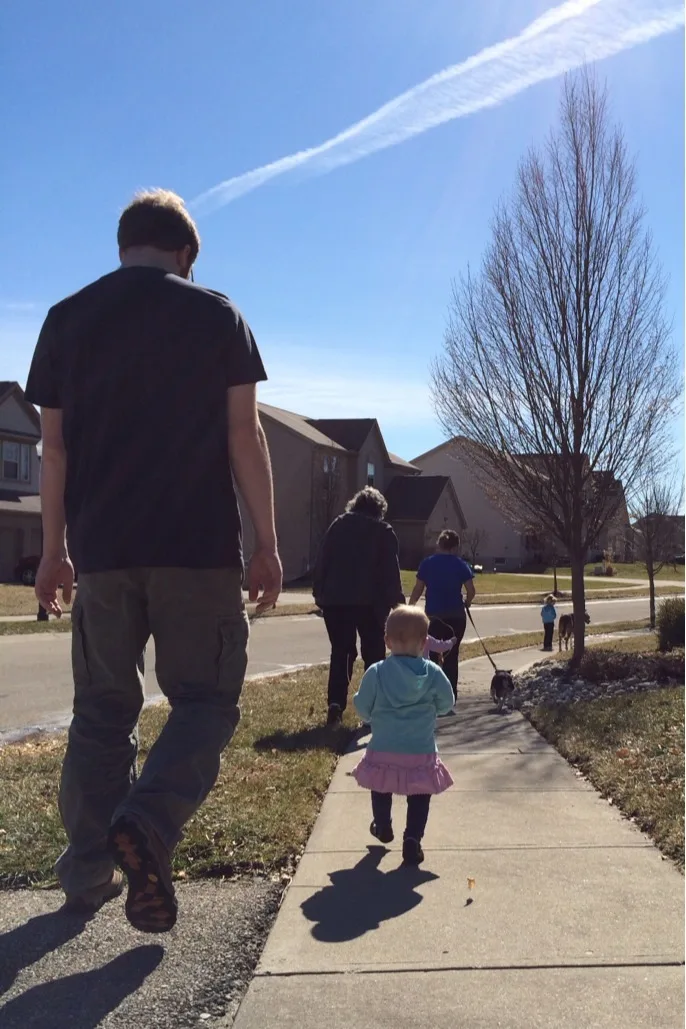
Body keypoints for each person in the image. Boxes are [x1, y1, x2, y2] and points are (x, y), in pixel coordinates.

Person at [25, 189, 282, 932]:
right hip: (196, 550)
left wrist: (53, 552)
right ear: (186, 253)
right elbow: (245, 435)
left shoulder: (66, 319)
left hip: (103, 553)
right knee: (205, 701)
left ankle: (86, 871)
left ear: (122, 246)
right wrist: (266, 542)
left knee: (101, 712)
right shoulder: (216, 314)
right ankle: (147, 821)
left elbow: (55, 449)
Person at [352, 606, 454, 865]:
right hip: (420, 748)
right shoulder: (432, 672)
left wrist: (370, 715)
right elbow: (447, 702)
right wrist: (435, 709)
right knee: (420, 794)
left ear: (387, 641)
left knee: (381, 784)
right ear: (424, 642)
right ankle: (413, 839)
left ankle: (383, 824)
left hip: (384, 745)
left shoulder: (376, 672)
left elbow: (362, 706)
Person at [313, 486, 405, 726]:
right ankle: (373, 708)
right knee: (373, 654)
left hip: (336, 600)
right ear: (379, 510)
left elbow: (322, 559)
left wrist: (319, 592)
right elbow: (389, 571)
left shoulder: (338, 525)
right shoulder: (383, 531)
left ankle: (335, 705)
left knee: (341, 652)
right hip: (371, 603)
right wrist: (397, 599)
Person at [409, 530, 476, 699]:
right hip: (456, 616)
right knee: (452, 655)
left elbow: (418, 589)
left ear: (439, 544)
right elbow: (471, 590)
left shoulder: (427, 563)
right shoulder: (461, 565)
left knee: (431, 654)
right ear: (455, 547)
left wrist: (410, 607)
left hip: (433, 616)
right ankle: (450, 694)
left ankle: (432, 692)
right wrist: (467, 602)